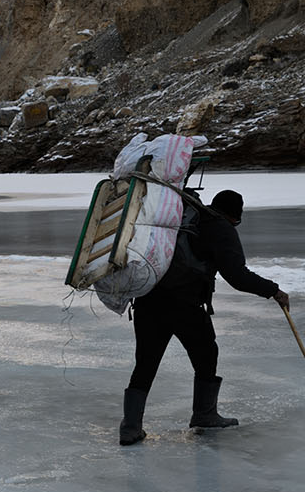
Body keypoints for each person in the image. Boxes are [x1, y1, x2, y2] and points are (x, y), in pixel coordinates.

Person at [120, 188, 289, 446]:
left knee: (145, 363)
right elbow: (237, 276)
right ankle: (204, 414)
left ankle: (130, 427)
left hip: (148, 300)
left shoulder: (185, 218)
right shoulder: (220, 228)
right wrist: (273, 291)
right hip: (184, 303)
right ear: (234, 215)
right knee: (206, 355)